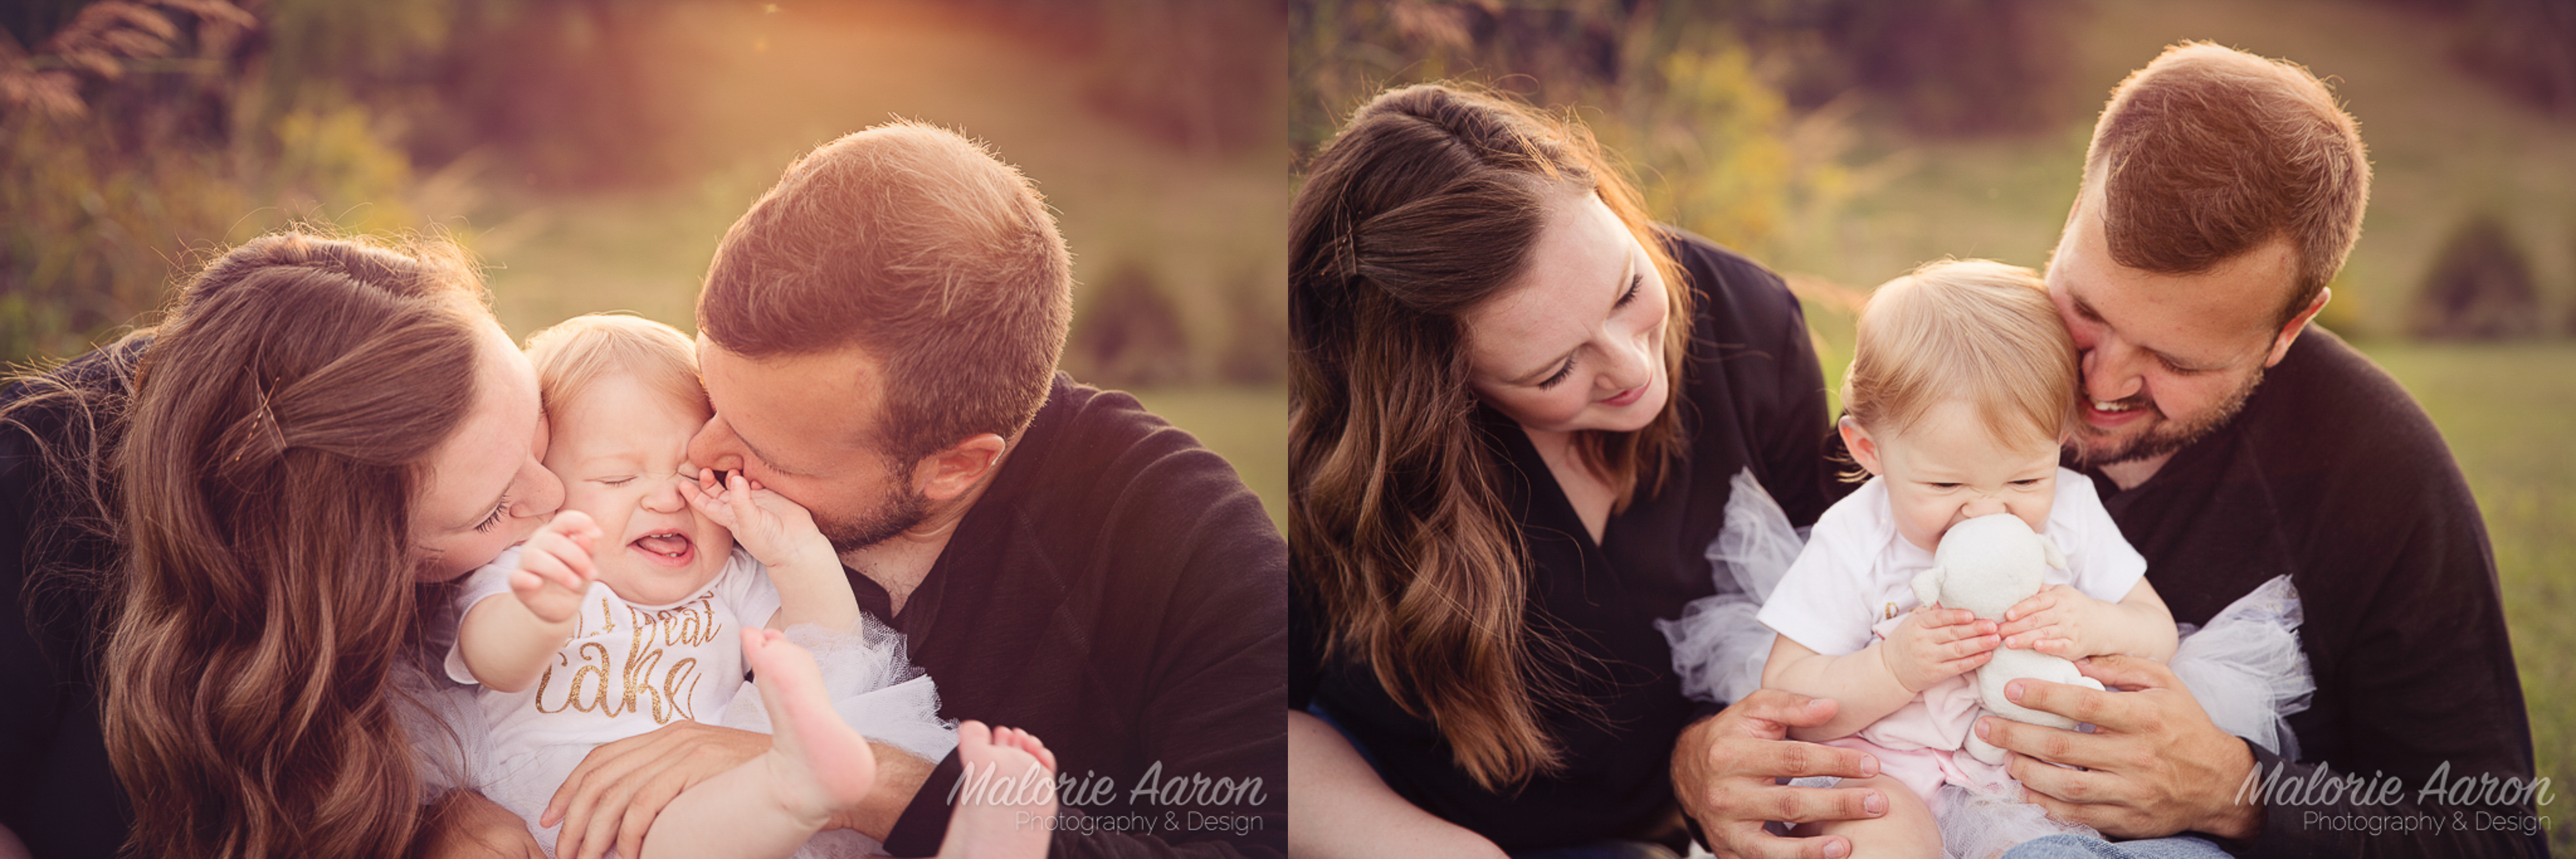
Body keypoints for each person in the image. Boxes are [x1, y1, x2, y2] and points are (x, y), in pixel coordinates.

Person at [528, 121, 1289, 859]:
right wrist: (461, 811)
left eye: (760, 448)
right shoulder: (678, 462)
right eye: (712, 396)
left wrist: (867, 781)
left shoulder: (1186, 550)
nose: (700, 456)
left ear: (955, 465)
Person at [1970, 42, 2545, 858]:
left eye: (2177, 362)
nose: (2104, 381)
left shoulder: (2377, 473)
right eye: (2085, 311)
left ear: (2292, 326)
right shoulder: (1959, 371)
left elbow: (2496, 839)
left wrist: (2237, 792)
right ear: (2071, 223)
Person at [1287, 83, 1849, 858]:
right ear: (1437, 388)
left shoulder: (1748, 320)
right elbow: (1246, 714)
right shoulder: (1319, 463)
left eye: (1627, 290)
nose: (1631, 368)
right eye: (1553, 371)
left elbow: (1843, 582)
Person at [0, 231, 576, 858]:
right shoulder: (25, 496)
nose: (554, 498)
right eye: (493, 511)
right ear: (351, 566)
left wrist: (436, 814)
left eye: (538, 426)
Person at [443, 313, 1043, 859]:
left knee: (716, 817)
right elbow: (494, 662)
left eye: (690, 472)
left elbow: (830, 646)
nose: (666, 496)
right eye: (617, 476)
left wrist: (796, 551)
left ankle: (969, 840)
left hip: (722, 801)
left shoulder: (727, 580)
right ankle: (800, 785)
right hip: (570, 810)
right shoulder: (531, 567)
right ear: (547, 494)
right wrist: (542, 612)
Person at [1741, 261, 2178, 858]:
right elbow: (1789, 698)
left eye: (2026, 478)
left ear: (2061, 441)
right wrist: (1894, 670)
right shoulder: (1854, 536)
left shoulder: (2073, 509)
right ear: (1870, 449)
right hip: (1891, 771)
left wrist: (2094, 623)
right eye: (1946, 488)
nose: (1987, 511)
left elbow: (2158, 631)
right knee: (1873, 835)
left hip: (2033, 768)